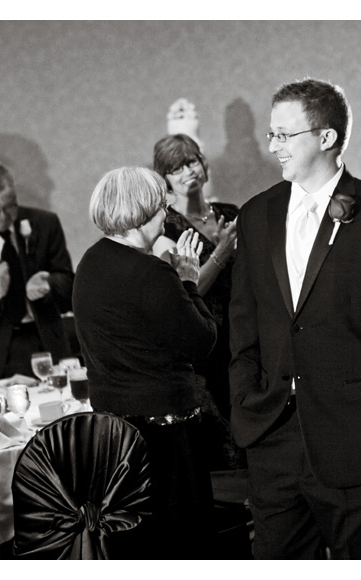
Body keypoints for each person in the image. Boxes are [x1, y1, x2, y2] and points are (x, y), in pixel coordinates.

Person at [228, 78, 361, 559]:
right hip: (271, 433)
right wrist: (244, 399)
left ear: (326, 138)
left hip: (353, 435)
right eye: (271, 134)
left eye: (285, 135)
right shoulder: (256, 216)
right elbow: (244, 321)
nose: (273, 147)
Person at [73, 166, 217, 559]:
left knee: (135, 545)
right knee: (180, 542)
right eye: (162, 205)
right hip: (164, 437)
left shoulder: (90, 263)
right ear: (143, 210)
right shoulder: (151, 272)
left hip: (114, 436)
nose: (167, 210)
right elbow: (201, 342)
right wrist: (188, 279)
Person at [152, 134, 241, 469]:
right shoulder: (166, 228)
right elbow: (187, 292)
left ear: (204, 165)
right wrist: (220, 252)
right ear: (166, 179)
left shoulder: (230, 214)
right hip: (206, 344)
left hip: (244, 335)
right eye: (176, 168)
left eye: (191, 162)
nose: (187, 171)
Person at [0, 161, 75, 378]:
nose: (4, 216)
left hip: (46, 340)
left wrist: (48, 284)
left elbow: (68, 282)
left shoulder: (44, 223)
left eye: (10, 205)